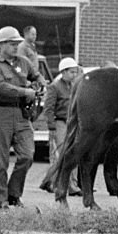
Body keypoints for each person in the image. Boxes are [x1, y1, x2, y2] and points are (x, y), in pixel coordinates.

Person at [0, 25, 46, 208]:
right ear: (1, 45)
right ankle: (1, 200)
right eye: (12, 44)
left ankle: (14, 193)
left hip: (21, 113)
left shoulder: (23, 62)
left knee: (27, 155)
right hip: (0, 112)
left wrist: (40, 84)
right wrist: (25, 91)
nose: (15, 47)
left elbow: (37, 76)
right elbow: (0, 87)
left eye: (17, 43)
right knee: (0, 160)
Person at [38, 57, 82, 195]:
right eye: (71, 72)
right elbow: (48, 108)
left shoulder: (75, 86)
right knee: (60, 154)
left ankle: (60, 183)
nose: (74, 75)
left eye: (75, 72)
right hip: (60, 122)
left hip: (72, 123)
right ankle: (63, 184)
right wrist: (51, 126)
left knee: (73, 153)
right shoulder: (54, 87)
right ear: (63, 72)